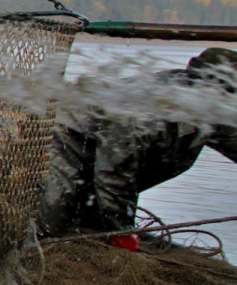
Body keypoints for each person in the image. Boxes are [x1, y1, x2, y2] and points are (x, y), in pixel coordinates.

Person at [38, 47, 237, 250]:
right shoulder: (145, 109)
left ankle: (98, 215)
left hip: (110, 153)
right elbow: (114, 174)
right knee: (49, 229)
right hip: (71, 138)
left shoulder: (215, 109)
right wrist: (122, 231)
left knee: (93, 214)